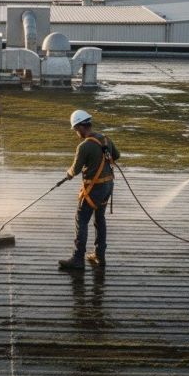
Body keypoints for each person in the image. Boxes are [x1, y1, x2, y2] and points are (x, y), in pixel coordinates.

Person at [59, 109, 120, 271]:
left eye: (75, 129)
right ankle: (100, 256)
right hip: (108, 186)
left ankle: (78, 259)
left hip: (94, 189)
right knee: (99, 218)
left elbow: (75, 170)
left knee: (81, 219)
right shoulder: (105, 139)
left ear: (80, 126)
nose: (76, 132)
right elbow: (117, 155)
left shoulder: (84, 146)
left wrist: (68, 173)